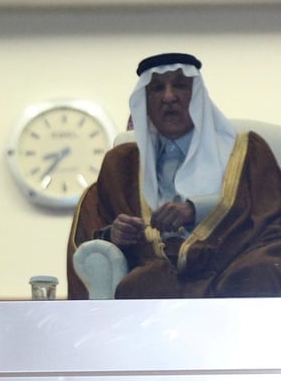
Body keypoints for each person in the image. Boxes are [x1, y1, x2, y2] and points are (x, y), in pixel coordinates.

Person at [67, 53, 281, 299]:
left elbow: (270, 216)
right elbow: (97, 227)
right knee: (138, 286)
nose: (169, 97)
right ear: (144, 103)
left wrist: (195, 210)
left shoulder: (246, 150)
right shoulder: (122, 165)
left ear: (198, 97)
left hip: (237, 255)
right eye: (157, 89)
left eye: (179, 85)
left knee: (259, 273)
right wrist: (114, 234)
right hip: (162, 269)